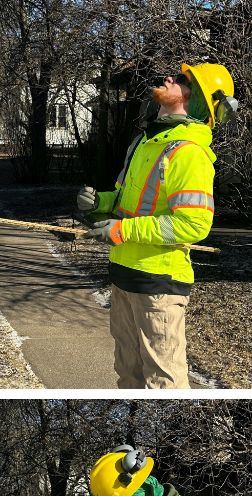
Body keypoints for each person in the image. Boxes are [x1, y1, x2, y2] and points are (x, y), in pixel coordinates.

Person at [76, 63, 237, 389]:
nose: (169, 78)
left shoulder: (189, 153)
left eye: (181, 80)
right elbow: (128, 203)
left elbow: (193, 224)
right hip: (123, 277)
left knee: (164, 385)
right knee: (128, 375)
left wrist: (124, 231)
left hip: (158, 286)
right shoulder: (144, 143)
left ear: (198, 102)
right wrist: (101, 204)